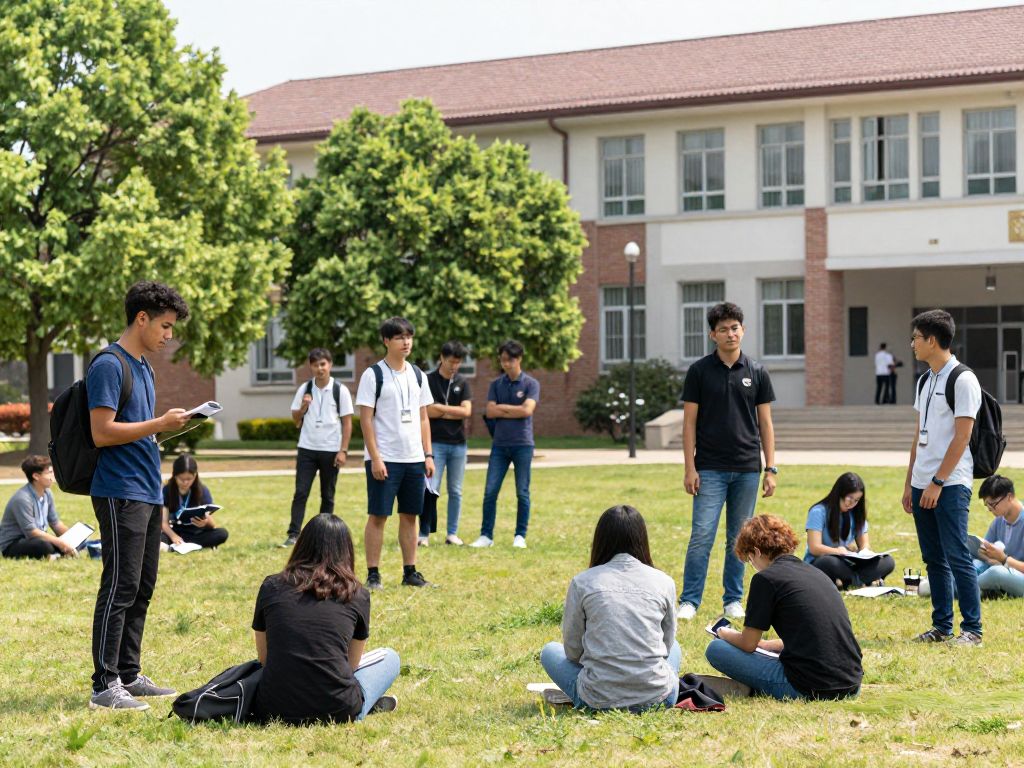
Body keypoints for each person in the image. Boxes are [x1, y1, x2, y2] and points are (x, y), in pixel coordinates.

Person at [88, 281, 191, 710]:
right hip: (119, 492)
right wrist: (157, 425)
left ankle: (128, 674)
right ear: (141, 318)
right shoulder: (110, 365)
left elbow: (137, 430)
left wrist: (170, 427)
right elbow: (101, 432)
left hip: (147, 491)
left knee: (143, 586)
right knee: (120, 585)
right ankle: (104, 683)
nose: (169, 335)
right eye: (165, 326)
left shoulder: (144, 366)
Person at [678, 302, 776, 621]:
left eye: (735, 328)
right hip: (709, 468)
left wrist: (770, 468)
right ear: (712, 335)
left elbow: (766, 424)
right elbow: (689, 423)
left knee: (740, 539)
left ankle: (733, 598)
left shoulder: (757, 371)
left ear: (743, 331)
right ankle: (690, 600)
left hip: (748, 468)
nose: (730, 333)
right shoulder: (699, 372)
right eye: (723, 329)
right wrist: (690, 467)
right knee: (702, 535)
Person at [252, 513, 400, 724]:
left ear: (301, 545)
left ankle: (363, 702)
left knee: (280, 660)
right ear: (346, 551)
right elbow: (352, 665)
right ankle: (365, 705)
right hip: (338, 707)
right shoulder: (357, 594)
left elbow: (264, 658)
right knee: (390, 657)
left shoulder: (272, 586)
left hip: (272, 707)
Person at [705, 515, 863, 701]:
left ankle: (753, 686)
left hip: (810, 687)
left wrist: (723, 633)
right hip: (851, 684)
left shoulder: (765, 579)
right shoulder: (815, 572)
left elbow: (748, 644)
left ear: (755, 552)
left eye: (749, 560)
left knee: (716, 649)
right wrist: (765, 645)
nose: (752, 566)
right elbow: (817, 634)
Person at [540, 505, 680, 711]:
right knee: (676, 646)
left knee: (549, 651)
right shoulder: (664, 581)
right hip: (659, 697)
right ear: (643, 539)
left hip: (597, 697)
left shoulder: (582, 582)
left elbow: (572, 650)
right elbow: (666, 647)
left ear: (600, 540)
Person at [902, 309, 983, 646]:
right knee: (933, 557)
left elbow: (961, 437)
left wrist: (937, 482)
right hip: (923, 482)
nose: (912, 345)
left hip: (949, 483)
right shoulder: (924, 379)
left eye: (916, 338)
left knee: (956, 555)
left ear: (932, 340)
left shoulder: (963, 379)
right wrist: (910, 482)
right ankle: (941, 626)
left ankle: (973, 630)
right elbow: (918, 434)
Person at [356, 317, 434, 590]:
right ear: (386, 341)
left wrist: (428, 454)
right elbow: (366, 419)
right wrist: (375, 457)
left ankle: (410, 571)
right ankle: (373, 573)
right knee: (378, 515)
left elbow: (424, 417)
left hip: (414, 458)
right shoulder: (372, 375)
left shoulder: (418, 375)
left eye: (409, 336)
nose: (406, 342)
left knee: (410, 515)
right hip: (385, 458)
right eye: (400, 337)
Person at [470, 340, 540, 549]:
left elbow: (527, 410)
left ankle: (520, 535)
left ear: (518, 359)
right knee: (490, 491)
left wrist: (502, 408)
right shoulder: (496, 385)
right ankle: (486, 535)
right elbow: (490, 411)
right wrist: (513, 410)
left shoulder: (531, 384)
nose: (505, 364)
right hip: (499, 445)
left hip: (523, 445)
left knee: (522, 492)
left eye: (509, 360)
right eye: (502, 361)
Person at [282, 348, 354, 547]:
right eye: (315, 365)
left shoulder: (341, 390)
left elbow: (347, 422)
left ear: (329, 365)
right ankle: (294, 533)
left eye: (323, 364)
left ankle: (325, 536)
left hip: (331, 449)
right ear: (310, 367)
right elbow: (295, 420)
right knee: (301, 492)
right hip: (307, 448)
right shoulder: (305, 389)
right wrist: (304, 407)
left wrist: (343, 450)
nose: (319, 368)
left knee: (327, 495)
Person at [418, 341, 472, 547]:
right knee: (431, 489)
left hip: (459, 444)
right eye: (451, 362)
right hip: (435, 444)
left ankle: (452, 533)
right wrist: (450, 410)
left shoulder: (463, 382)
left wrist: (440, 409)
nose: (454, 366)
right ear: (441, 358)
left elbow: (466, 411)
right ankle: (423, 534)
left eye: (458, 363)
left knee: (456, 490)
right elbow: (427, 411)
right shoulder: (428, 380)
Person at [804, 472, 895, 589]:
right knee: (829, 562)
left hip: (847, 562)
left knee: (888, 561)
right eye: (849, 498)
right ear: (839, 494)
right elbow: (814, 548)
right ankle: (862, 580)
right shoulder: (818, 512)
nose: (852, 504)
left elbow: (865, 545)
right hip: (822, 561)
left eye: (857, 500)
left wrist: (865, 553)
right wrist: (837, 551)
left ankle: (851, 580)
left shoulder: (856, 513)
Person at [0, 455, 76, 559]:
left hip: (35, 539)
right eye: (49, 472)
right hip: (14, 544)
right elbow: (31, 532)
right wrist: (60, 543)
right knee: (44, 546)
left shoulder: (47, 493)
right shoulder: (22, 498)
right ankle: (55, 554)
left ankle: (56, 554)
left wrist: (72, 539)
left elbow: (55, 523)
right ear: (36, 476)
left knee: (60, 543)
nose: (52, 476)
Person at [160, 454, 228, 550]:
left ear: (195, 476)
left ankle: (177, 547)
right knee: (154, 537)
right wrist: (173, 536)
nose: (185, 483)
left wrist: (205, 523)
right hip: (176, 531)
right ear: (174, 475)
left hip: (196, 533)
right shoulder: (167, 490)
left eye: (189, 479)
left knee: (222, 533)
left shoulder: (202, 490)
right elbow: (164, 523)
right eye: (181, 479)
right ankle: (179, 545)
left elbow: (212, 525)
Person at [972, 475, 1024, 598]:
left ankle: (964, 588)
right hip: (1005, 571)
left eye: (993, 505)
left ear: (1009, 497)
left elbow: (1002, 562)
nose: (990, 510)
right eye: (987, 506)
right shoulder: (999, 520)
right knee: (975, 564)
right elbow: (986, 550)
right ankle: (976, 589)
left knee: (996, 573)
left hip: (1014, 575)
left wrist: (1004, 559)